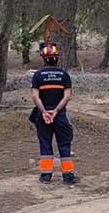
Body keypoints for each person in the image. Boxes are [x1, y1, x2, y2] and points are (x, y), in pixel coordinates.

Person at [30, 43, 79, 185]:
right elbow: (67, 96)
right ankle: (68, 177)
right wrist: (56, 111)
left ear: (43, 58)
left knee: (45, 144)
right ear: (57, 58)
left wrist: (45, 112)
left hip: (43, 116)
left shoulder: (38, 76)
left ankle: (46, 177)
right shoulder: (64, 75)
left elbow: (35, 96)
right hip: (60, 116)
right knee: (64, 144)